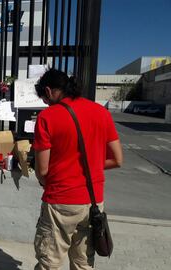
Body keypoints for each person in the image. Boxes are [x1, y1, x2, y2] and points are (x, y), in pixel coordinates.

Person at [32, 68, 123, 270]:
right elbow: (117, 160)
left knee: (49, 263)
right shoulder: (101, 112)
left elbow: (43, 171)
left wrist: (46, 178)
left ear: (49, 91)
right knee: (83, 263)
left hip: (60, 202)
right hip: (93, 202)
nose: (46, 104)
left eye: (44, 99)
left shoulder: (47, 117)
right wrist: (89, 168)